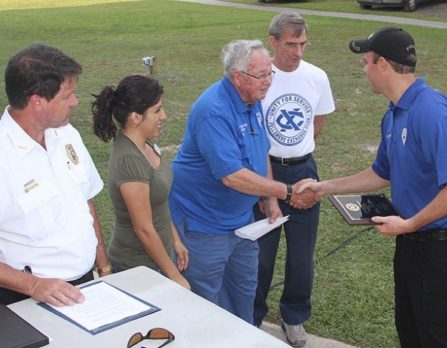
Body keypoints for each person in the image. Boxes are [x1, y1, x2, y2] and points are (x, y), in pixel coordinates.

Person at [300, 27, 447, 347]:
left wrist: (411, 223)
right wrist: (324, 186)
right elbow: (380, 173)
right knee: (411, 328)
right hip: (411, 244)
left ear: (383, 64)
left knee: (441, 335)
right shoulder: (393, 115)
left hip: (443, 250)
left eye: (367, 62)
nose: (364, 70)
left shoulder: (431, 112)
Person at [169, 39, 318, 324]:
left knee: (243, 298)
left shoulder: (252, 101)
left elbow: (260, 152)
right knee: (204, 307)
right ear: (238, 77)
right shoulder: (213, 110)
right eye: (262, 75)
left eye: (269, 73)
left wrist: (270, 198)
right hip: (204, 227)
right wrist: (287, 191)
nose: (268, 82)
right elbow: (232, 176)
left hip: (242, 225)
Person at [0, 44, 111, 306]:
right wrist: (34, 285)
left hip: (85, 285)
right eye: (66, 96)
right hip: (26, 298)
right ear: (36, 101)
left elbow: (85, 202)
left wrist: (103, 267)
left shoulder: (67, 135)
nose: (75, 102)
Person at [252, 11, 336, 347]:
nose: (298, 52)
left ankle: (295, 317)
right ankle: (253, 315)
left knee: (302, 253)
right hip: (265, 168)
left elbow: (316, 123)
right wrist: (267, 187)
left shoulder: (317, 76)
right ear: (273, 41)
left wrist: (298, 155)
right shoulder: (260, 76)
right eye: (290, 44)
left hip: (304, 170)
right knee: (261, 252)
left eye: (302, 44)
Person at [92, 75, 190, 290]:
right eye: (157, 110)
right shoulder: (129, 160)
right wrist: (175, 277)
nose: (163, 116)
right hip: (138, 269)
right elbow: (143, 229)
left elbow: (159, 202)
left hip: (159, 260)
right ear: (136, 117)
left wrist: (174, 240)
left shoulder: (146, 144)